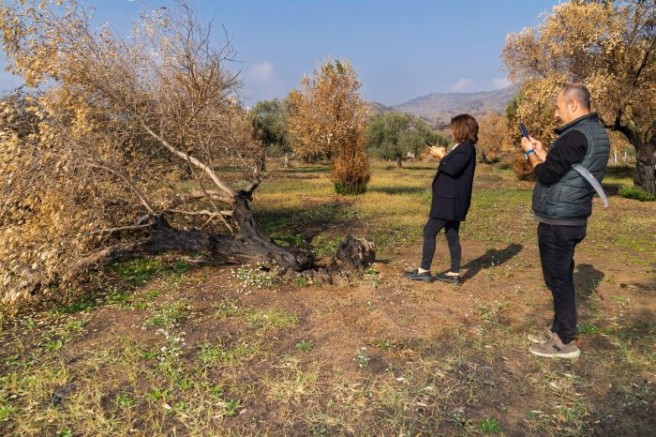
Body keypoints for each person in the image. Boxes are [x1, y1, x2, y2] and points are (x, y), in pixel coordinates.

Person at [520, 83, 609, 359]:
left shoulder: (574, 136)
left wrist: (529, 153)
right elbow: (564, 169)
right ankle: (560, 330)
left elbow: (546, 174)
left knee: (558, 280)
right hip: (572, 216)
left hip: (559, 219)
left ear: (573, 105)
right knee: (561, 277)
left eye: (559, 107)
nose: (557, 114)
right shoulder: (595, 132)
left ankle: (563, 341)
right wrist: (544, 151)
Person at [404, 114, 478, 286]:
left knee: (429, 231)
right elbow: (454, 166)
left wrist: (441, 157)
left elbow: (452, 168)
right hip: (451, 200)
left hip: (449, 202)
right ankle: (453, 273)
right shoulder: (460, 148)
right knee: (452, 234)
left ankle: (424, 271)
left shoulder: (466, 148)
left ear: (461, 130)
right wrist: (445, 154)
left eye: (453, 128)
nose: (451, 131)